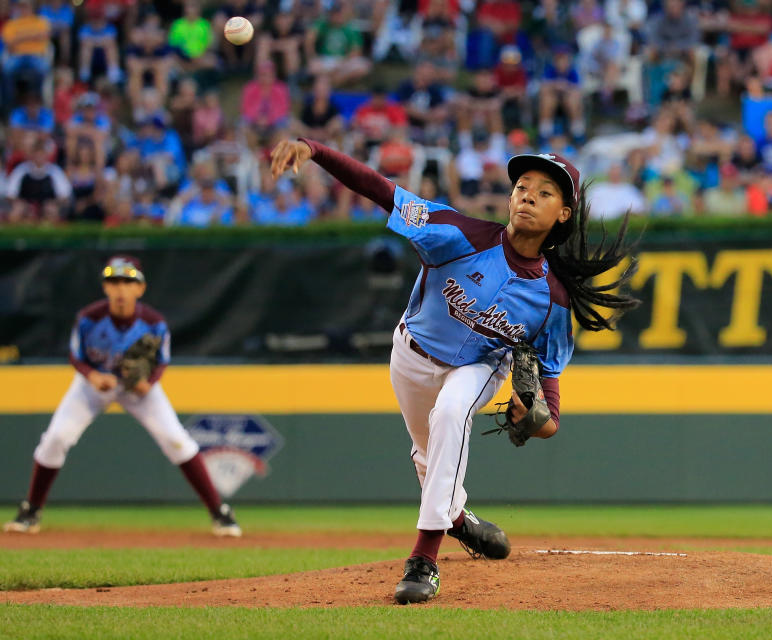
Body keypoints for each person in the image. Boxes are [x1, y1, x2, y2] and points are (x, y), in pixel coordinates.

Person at [269, 138, 637, 605]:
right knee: (430, 459)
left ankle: (423, 560)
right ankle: (461, 522)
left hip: (481, 367)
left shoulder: (553, 299)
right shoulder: (457, 234)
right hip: (410, 356)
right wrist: (315, 150)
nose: (528, 195)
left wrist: (536, 418)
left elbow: (551, 410)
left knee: (450, 416)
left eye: (546, 193)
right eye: (523, 186)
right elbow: (384, 191)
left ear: (565, 214)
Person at [3, 256, 241, 537]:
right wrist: (92, 376)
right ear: (105, 287)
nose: (120, 289)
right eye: (113, 281)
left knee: (176, 440)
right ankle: (31, 510)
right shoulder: (89, 318)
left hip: (137, 390)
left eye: (128, 282)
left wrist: (148, 383)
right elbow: (76, 356)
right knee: (56, 437)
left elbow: (162, 361)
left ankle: (219, 512)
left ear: (140, 289)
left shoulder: (154, 323)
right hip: (92, 386)